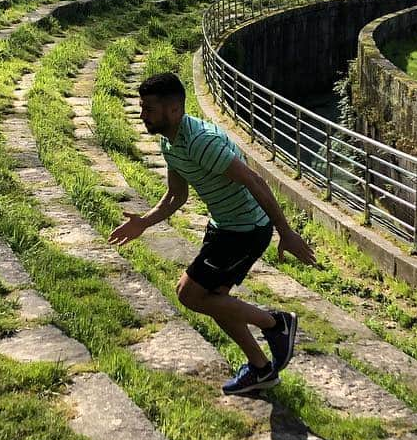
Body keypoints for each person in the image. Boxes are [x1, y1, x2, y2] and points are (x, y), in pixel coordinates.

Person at [109, 71, 318, 395]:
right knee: (212, 299)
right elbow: (176, 196)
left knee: (189, 294)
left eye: (149, 108)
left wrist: (286, 232)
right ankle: (261, 369)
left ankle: (276, 323)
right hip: (224, 225)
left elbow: (255, 181)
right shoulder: (171, 142)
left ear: (174, 110)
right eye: (142, 107)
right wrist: (143, 223)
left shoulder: (201, 142)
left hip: (246, 230)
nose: (142, 115)